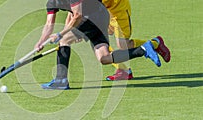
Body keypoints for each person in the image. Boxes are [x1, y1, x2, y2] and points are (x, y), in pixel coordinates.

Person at [34, 0, 164, 90]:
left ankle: (60, 80)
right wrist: (40, 42)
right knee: (104, 58)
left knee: (64, 41)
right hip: (95, 17)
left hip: (96, 15)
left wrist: (62, 34)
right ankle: (142, 49)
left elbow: (77, 15)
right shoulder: (51, 2)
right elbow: (49, 24)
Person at [102, 0, 171, 80]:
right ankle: (123, 70)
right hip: (105, 11)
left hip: (119, 11)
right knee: (101, 41)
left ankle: (155, 44)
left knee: (123, 44)